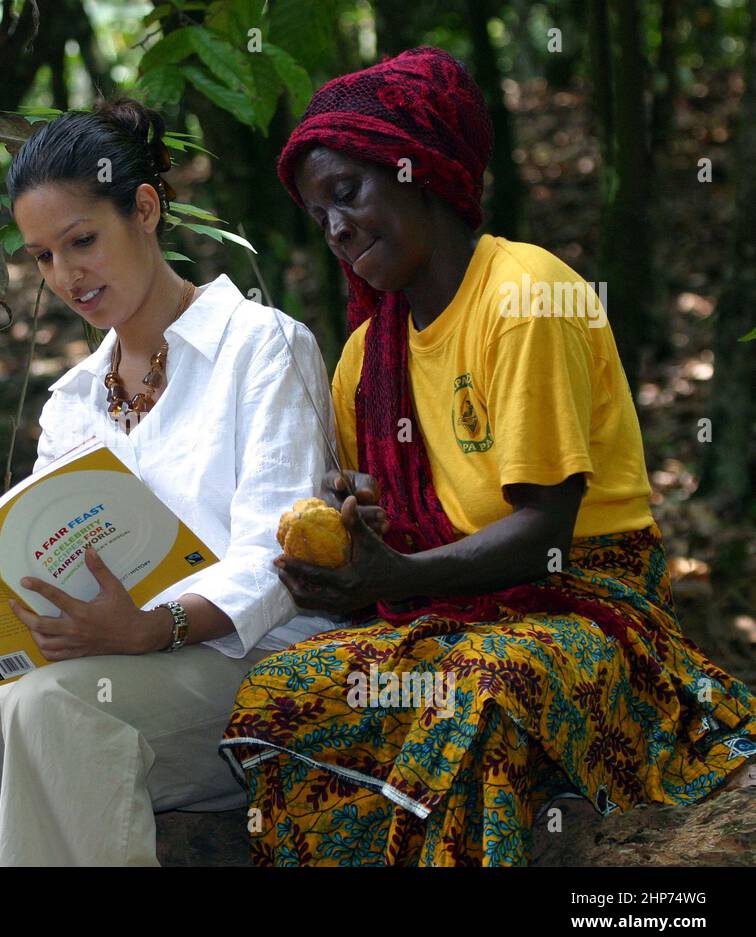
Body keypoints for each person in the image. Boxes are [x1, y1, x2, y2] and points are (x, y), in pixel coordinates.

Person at [218, 47, 756, 866]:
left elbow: (544, 534)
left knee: (480, 696)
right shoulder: (368, 356)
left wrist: (394, 576)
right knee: (279, 693)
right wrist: (359, 523)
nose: (333, 227)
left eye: (346, 192)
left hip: (586, 603)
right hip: (454, 615)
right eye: (317, 213)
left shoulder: (527, 298)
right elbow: (393, 513)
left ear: (419, 168)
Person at [0, 98, 341, 866]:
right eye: (41, 257)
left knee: (54, 708)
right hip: (101, 670)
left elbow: (278, 558)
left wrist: (151, 628)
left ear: (143, 209)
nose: (67, 276)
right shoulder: (74, 399)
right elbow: (38, 557)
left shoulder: (262, 346)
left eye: (82, 241)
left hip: (253, 669)